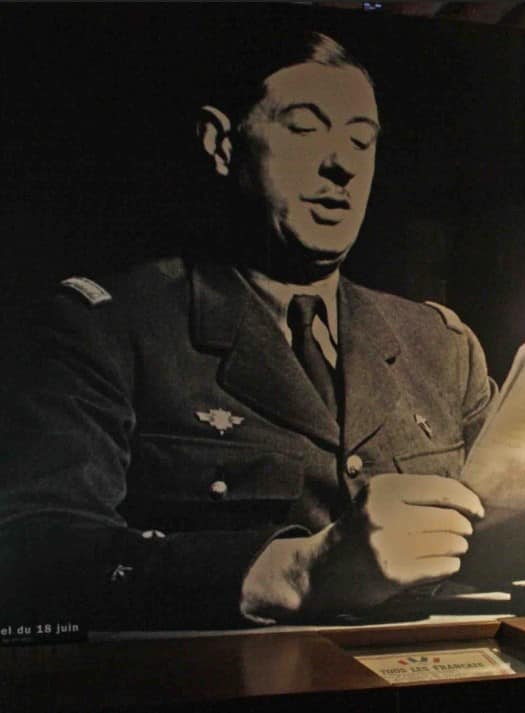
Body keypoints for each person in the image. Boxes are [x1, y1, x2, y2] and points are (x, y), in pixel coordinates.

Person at [0, 32, 496, 631]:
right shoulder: (109, 329)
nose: (341, 165)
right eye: (305, 128)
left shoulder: (439, 346)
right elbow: (36, 549)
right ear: (221, 144)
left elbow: (517, 537)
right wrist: (298, 574)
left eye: (361, 140)